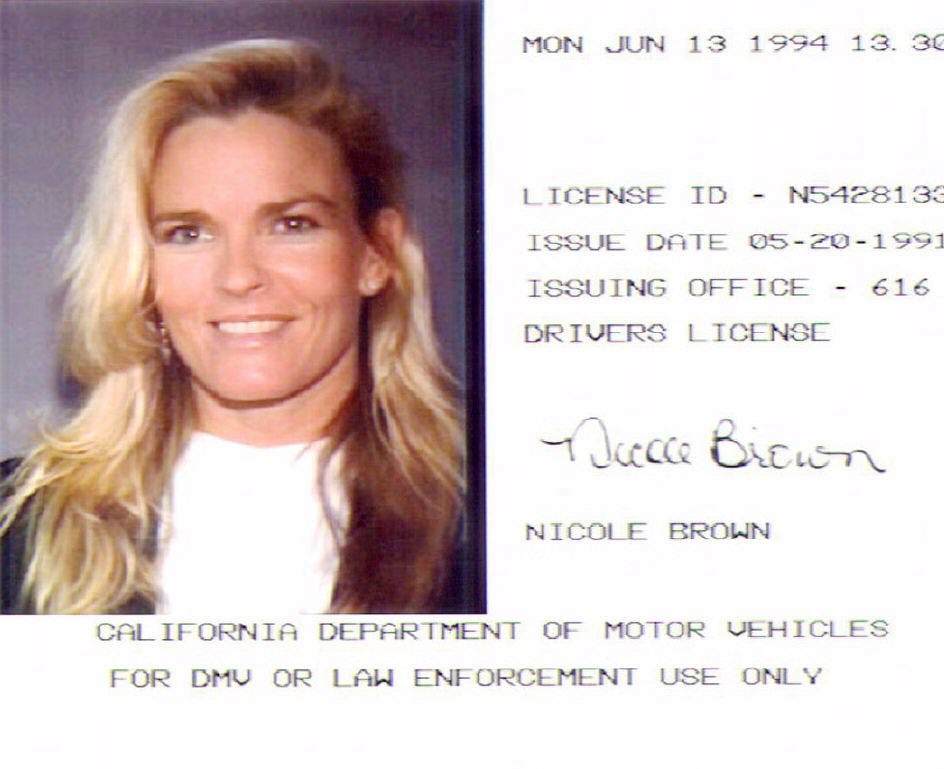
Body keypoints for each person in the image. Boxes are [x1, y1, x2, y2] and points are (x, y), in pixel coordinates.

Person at [0, 39, 467, 614]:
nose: (239, 277)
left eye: (291, 225)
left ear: (376, 253)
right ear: (141, 272)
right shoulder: (18, 529)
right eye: (188, 234)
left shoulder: (497, 515)